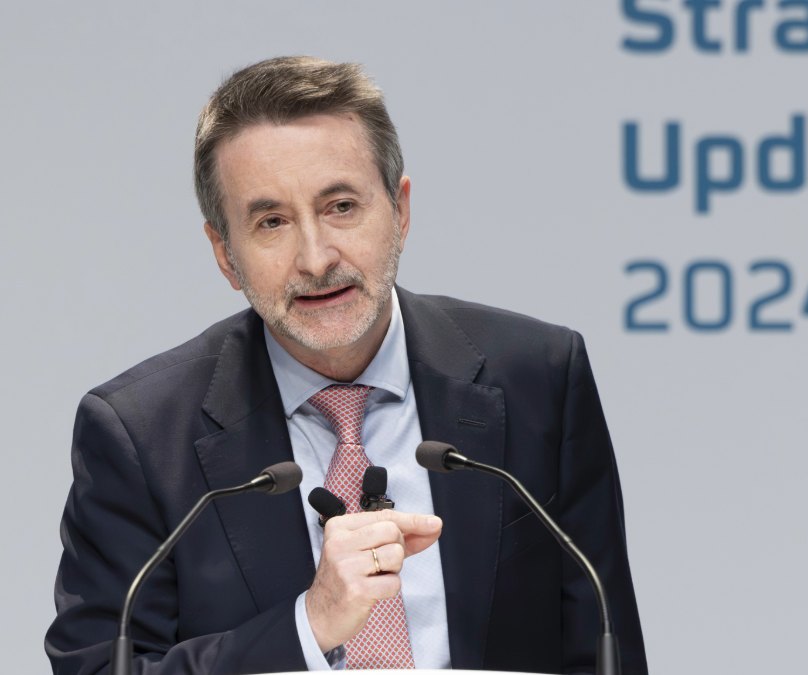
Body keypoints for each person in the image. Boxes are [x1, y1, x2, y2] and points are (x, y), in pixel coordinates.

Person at [46, 56, 647, 674]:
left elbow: (606, 646)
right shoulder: (140, 434)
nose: (316, 259)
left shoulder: (538, 378)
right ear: (225, 254)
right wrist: (307, 625)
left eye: (340, 207)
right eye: (271, 222)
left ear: (400, 212)